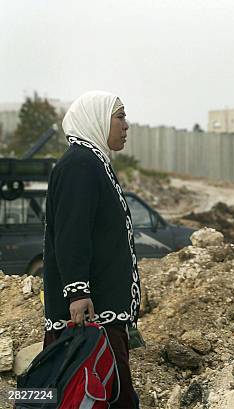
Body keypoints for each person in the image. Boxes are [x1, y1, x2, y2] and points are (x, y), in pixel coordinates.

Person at [42, 90, 141, 407]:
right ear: (97, 119)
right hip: (90, 316)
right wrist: (77, 292)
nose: (126, 125)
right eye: (120, 116)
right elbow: (72, 234)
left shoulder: (94, 162)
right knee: (96, 397)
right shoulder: (80, 165)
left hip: (100, 315)